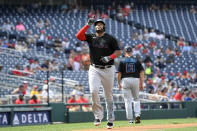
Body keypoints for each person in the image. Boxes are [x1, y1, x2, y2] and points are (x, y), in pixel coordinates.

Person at [76, 18, 122, 129]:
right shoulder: (91, 37)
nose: (98, 26)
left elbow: (119, 51)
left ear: (104, 26)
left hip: (108, 69)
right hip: (94, 68)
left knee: (108, 95)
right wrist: (87, 25)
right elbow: (78, 36)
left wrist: (110, 57)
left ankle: (110, 118)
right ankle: (98, 115)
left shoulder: (110, 38)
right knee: (93, 91)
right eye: (96, 24)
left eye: (100, 24)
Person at [117, 46, 144, 124]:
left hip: (125, 80)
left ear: (125, 53)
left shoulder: (122, 61)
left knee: (127, 101)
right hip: (135, 79)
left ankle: (130, 120)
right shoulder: (136, 60)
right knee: (136, 99)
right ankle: (137, 115)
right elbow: (142, 72)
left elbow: (119, 74)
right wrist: (141, 83)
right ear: (132, 52)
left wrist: (119, 83)